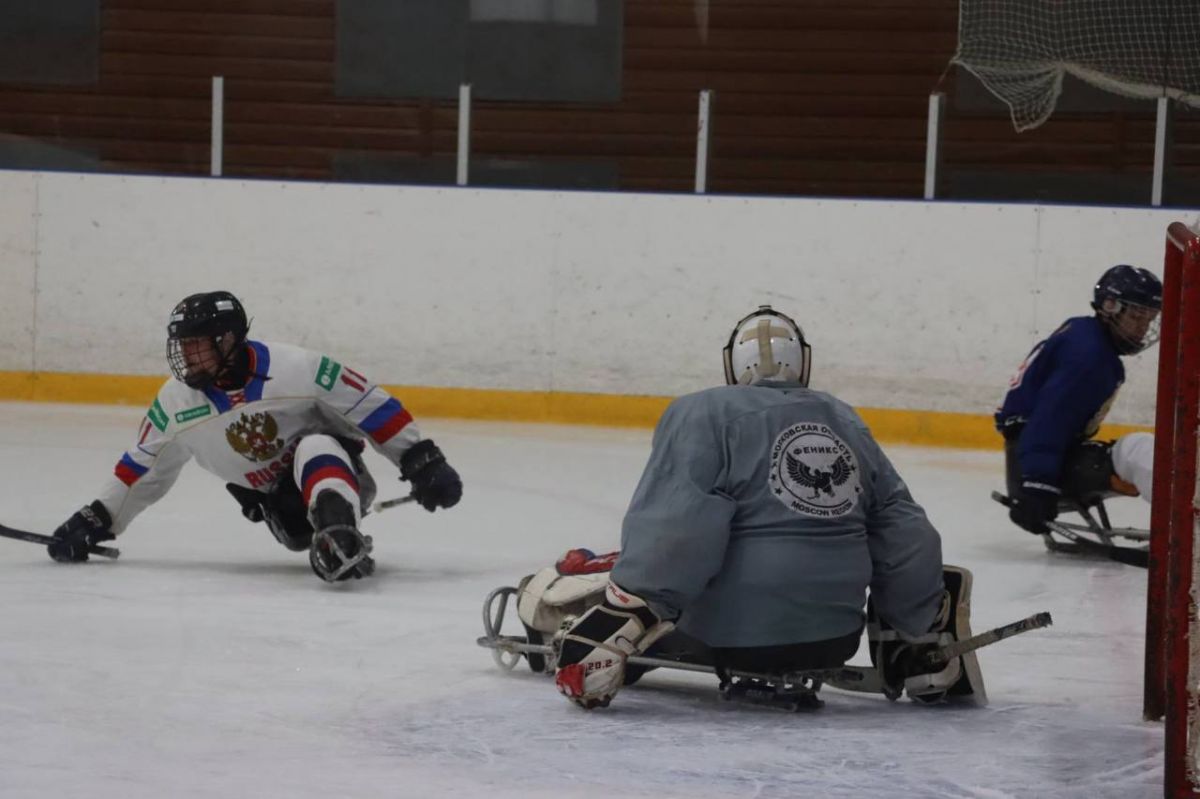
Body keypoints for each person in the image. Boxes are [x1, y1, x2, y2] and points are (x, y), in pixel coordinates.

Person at [530, 305, 981, 710]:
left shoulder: (704, 411)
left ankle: (555, 613)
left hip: (732, 634)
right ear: (803, 362)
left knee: (627, 590)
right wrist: (915, 627)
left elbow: (678, 530)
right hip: (834, 637)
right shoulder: (844, 419)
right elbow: (906, 532)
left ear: (732, 365)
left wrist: (626, 613)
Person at [46, 291, 462, 582]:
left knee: (316, 445)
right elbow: (142, 468)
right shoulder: (175, 402)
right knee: (295, 503)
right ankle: (325, 536)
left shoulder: (298, 368)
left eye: (196, 345)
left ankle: (340, 533)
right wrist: (97, 519)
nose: (186, 356)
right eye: (182, 346)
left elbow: (370, 405)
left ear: (228, 340)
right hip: (281, 513)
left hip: (342, 481)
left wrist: (421, 459)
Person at [996, 265, 1161, 537]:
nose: (1142, 328)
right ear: (1109, 306)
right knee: (1138, 451)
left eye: (1149, 319)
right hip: (1034, 470)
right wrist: (1038, 485)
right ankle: (1187, 527)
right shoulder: (1089, 356)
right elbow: (1049, 420)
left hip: (1036, 460)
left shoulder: (1084, 335)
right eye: (1136, 317)